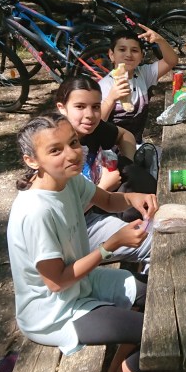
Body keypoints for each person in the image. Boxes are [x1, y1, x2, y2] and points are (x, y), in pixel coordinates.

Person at [7, 113, 157, 372]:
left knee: (158, 296)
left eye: (73, 143)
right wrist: (110, 245)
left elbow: (108, 200)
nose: (71, 154)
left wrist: (133, 198)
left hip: (82, 283)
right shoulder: (36, 212)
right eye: (55, 150)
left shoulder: (68, 179)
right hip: (54, 312)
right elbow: (56, 283)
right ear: (32, 161)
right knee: (157, 332)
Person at [54, 77, 157, 265]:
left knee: (155, 226)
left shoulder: (91, 128)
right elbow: (62, 215)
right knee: (157, 243)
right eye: (80, 106)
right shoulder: (54, 149)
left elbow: (124, 135)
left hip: (99, 205)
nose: (89, 115)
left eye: (95, 106)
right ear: (62, 108)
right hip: (74, 230)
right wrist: (104, 186)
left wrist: (130, 164)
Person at [98, 26, 179, 143]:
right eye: (122, 49)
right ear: (111, 55)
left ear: (141, 56)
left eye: (134, 50)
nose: (128, 55)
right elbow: (96, 124)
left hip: (137, 145)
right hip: (110, 150)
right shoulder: (104, 86)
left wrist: (160, 41)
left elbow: (171, 61)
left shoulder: (143, 74)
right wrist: (110, 99)